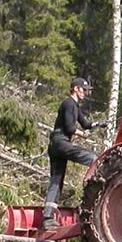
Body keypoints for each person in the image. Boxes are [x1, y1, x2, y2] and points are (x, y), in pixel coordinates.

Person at [43, 77, 100, 227]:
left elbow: (86, 124)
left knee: (56, 179)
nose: (86, 93)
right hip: (60, 142)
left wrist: (97, 125)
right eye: (84, 90)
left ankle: (48, 218)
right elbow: (69, 128)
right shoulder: (69, 103)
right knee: (94, 159)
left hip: (56, 145)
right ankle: (98, 186)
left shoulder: (74, 105)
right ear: (76, 89)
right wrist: (82, 134)